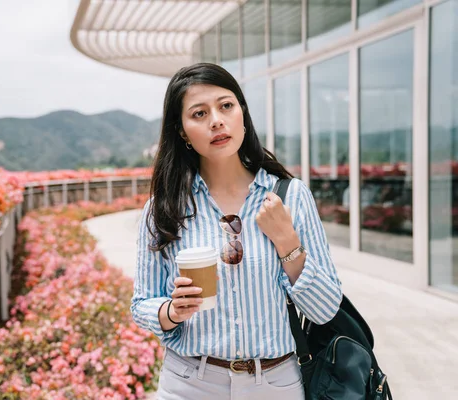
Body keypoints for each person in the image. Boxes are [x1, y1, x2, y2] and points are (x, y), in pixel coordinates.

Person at [130, 63, 343, 400]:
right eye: (199, 113)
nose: (216, 120)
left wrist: (287, 242)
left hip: (275, 383)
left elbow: (326, 308)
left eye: (226, 105)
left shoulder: (290, 196)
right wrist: (172, 311)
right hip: (189, 382)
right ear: (183, 132)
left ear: (242, 113)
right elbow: (141, 304)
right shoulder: (164, 208)